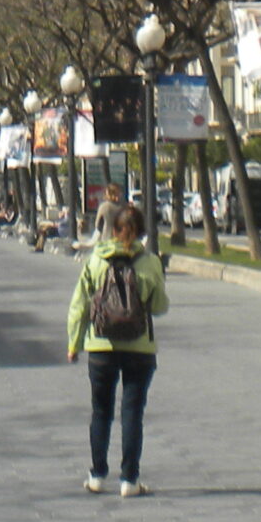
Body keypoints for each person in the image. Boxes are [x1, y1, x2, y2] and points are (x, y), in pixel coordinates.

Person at [67, 203, 170, 498]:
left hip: (100, 345)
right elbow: (160, 306)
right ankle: (129, 480)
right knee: (133, 413)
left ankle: (98, 475)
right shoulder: (149, 262)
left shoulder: (96, 260)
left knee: (101, 411)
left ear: (113, 231)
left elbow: (80, 305)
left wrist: (74, 343)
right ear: (142, 233)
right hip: (140, 347)